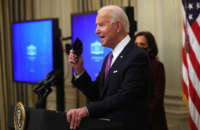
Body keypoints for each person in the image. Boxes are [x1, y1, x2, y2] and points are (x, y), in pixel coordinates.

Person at [67, 5, 151, 130]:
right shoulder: (109, 57)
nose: (96, 30)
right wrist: (79, 69)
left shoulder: (137, 56)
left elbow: (125, 97)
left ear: (117, 26)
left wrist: (87, 110)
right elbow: (97, 94)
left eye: (101, 25)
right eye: (96, 26)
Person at [134, 31, 168, 130]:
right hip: (133, 119)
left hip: (152, 120)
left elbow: (158, 97)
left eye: (142, 44)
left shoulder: (157, 66)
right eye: (136, 44)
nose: (138, 47)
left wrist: (143, 114)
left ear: (149, 48)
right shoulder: (131, 65)